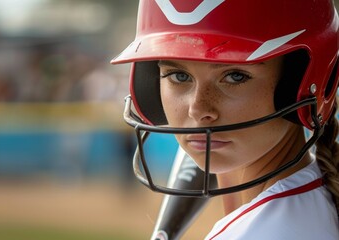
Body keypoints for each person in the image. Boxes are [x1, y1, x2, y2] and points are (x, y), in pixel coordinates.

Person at [111, 0, 339, 239]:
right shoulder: (314, 203)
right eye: (179, 75)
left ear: (303, 83)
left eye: (235, 76)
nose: (198, 109)